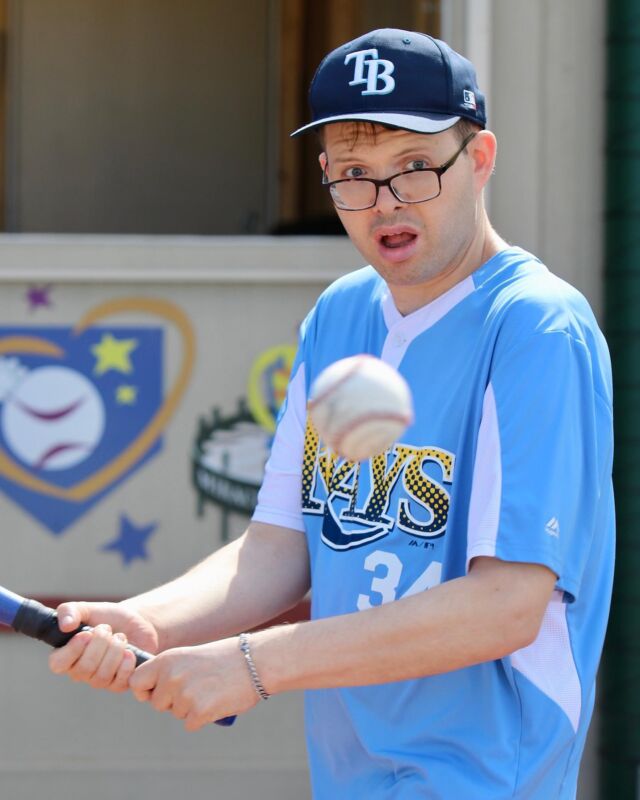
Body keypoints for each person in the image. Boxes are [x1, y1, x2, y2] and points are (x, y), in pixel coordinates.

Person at [49, 29, 614, 799]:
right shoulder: (341, 315)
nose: (385, 204)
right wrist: (147, 623)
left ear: (478, 160)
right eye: (355, 174)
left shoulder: (536, 326)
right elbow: (280, 545)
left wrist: (254, 665)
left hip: (486, 778)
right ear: (325, 177)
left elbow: (506, 607)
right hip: (350, 774)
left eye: (415, 168)